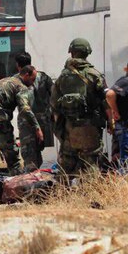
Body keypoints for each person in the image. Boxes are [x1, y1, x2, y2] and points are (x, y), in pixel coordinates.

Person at [50, 38, 108, 182]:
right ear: (87, 52)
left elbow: (54, 105)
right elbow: (105, 100)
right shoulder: (95, 75)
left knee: (66, 163)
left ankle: (59, 194)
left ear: (72, 53)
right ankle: (91, 195)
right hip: (90, 127)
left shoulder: (63, 76)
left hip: (69, 128)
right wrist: (111, 122)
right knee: (90, 163)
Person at [0, 65, 42, 175]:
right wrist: (37, 128)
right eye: (32, 79)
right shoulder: (21, 87)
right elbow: (25, 109)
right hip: (1, 124)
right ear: (26, 75)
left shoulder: (5, 80)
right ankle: (18, 188)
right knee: (14, 161)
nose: (33, 83)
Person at [15, 52, 53, 171]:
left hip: (27, 124)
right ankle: (38, 180)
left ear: (18, 65)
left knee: (29, 157)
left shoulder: (17, 80)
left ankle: (32, 184)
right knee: (38, 153)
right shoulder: (43, 77)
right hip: (43, 122)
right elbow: (54, 94)